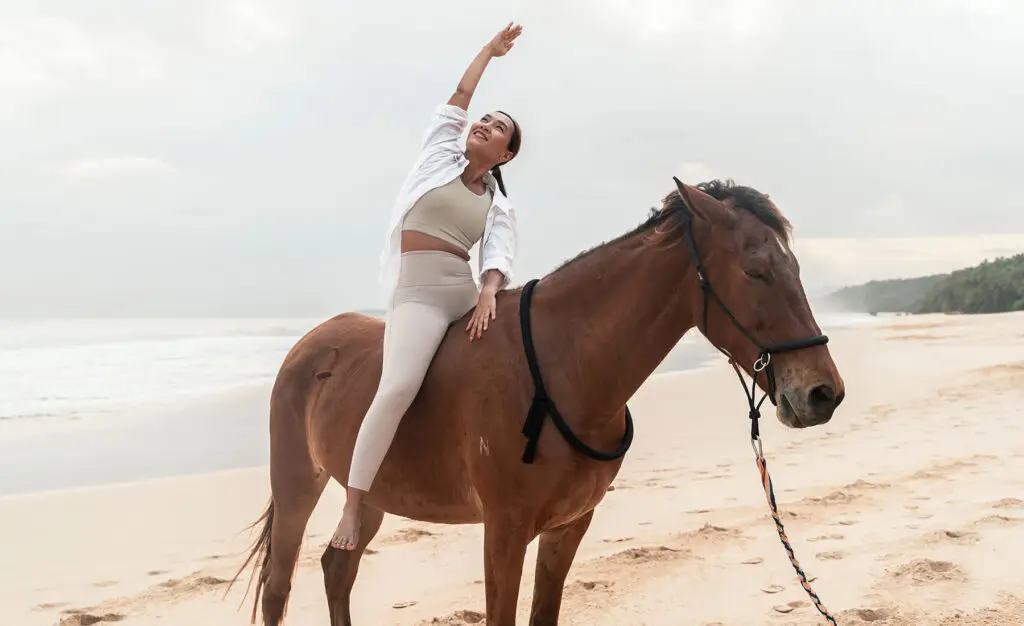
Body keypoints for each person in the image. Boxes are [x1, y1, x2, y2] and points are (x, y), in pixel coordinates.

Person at [331, 22, 524, 550]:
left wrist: (488, 291)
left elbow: (499, 255)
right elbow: (459, 99)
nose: (484, 123)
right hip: (418, 295)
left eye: (498, 125)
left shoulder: (497, 202)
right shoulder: (439, 154)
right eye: (485, 118)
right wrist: (490, 51)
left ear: (506, 154)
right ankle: (352, 505)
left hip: (461, 292)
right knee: (395, 387)